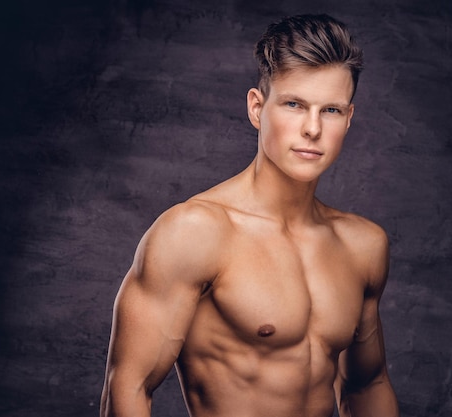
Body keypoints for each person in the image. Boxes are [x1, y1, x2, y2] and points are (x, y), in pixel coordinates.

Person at [101, 13, 399, 417]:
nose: (312, 128)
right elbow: (128, 388)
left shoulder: (362, 245)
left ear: (348, 118)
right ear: (257, 108)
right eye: (294, 104)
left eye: (330, 111)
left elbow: (368, 384)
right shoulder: (196, 232)